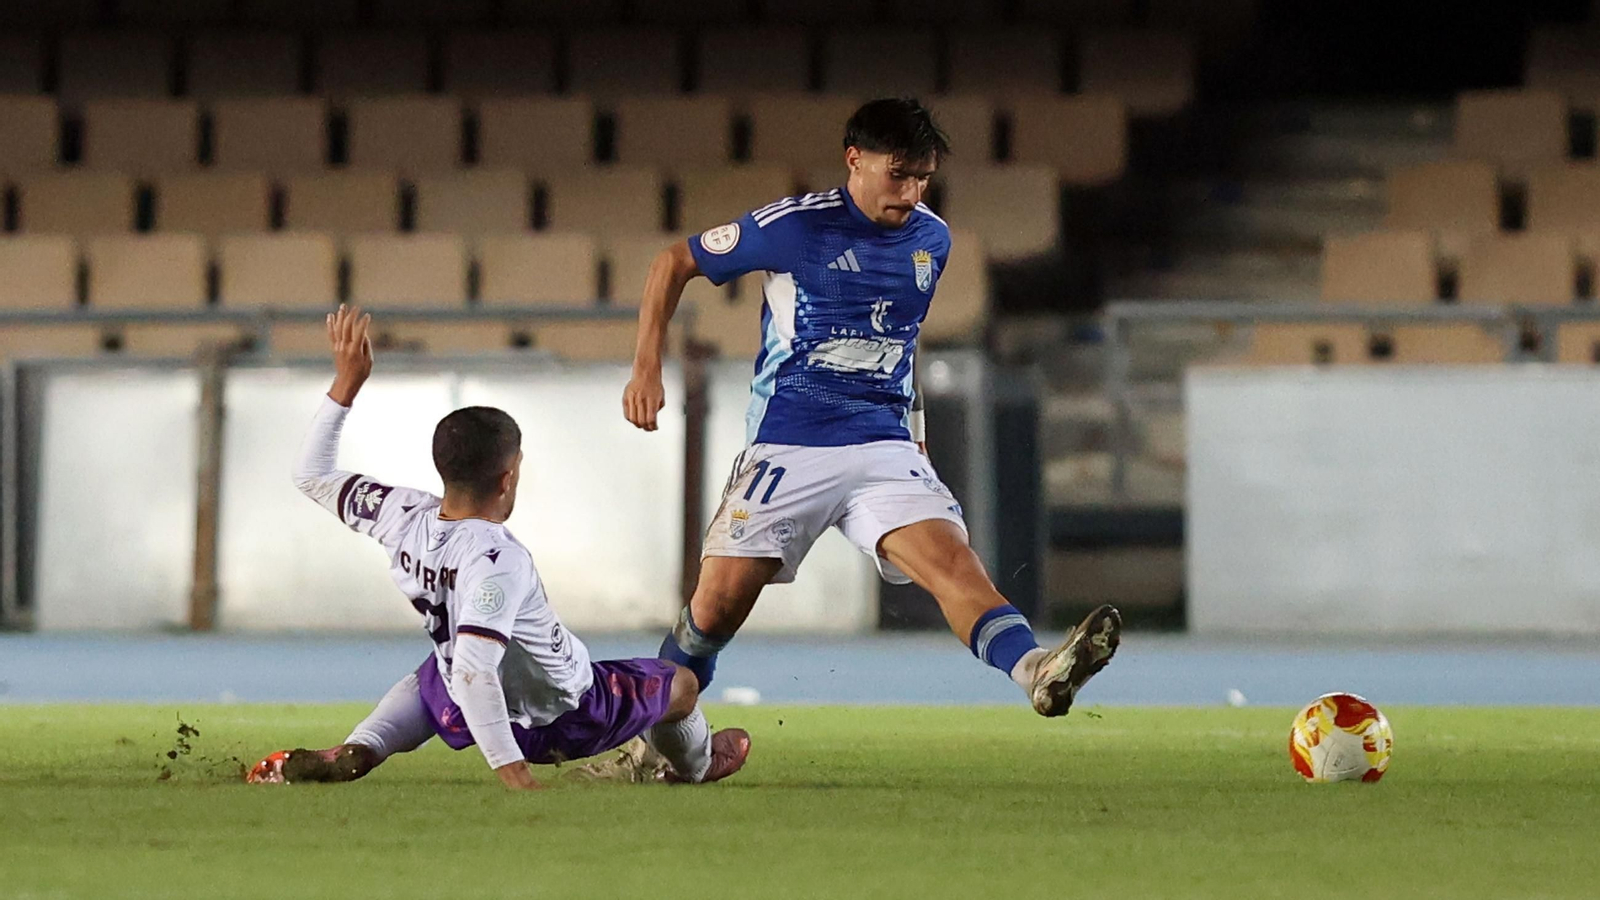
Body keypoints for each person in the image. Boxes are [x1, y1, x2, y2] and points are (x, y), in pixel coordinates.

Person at [621, 97, 1121, 730]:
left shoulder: (932, 240)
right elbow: (674, 262)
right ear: (854, 160)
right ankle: (651, 736)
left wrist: (916, 436)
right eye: (898, 174)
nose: (911, 192)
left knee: (952, 564)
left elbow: (903, 345)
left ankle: (1036, 671)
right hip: (790, 442)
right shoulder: (796, 227)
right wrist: (645, 367)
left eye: (922, 177)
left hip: (883, 444)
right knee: (715, 608)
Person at [247, 305, 749, 788]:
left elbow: (311, 474)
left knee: (437, 674)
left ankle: (363, 746)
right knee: (680, 685)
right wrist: (513, 772)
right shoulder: (497, 559)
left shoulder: (400, 515)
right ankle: (697, 765)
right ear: (508, 477)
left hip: (461, 710)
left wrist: (346, 384)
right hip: (565, 714)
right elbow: (474, 668)